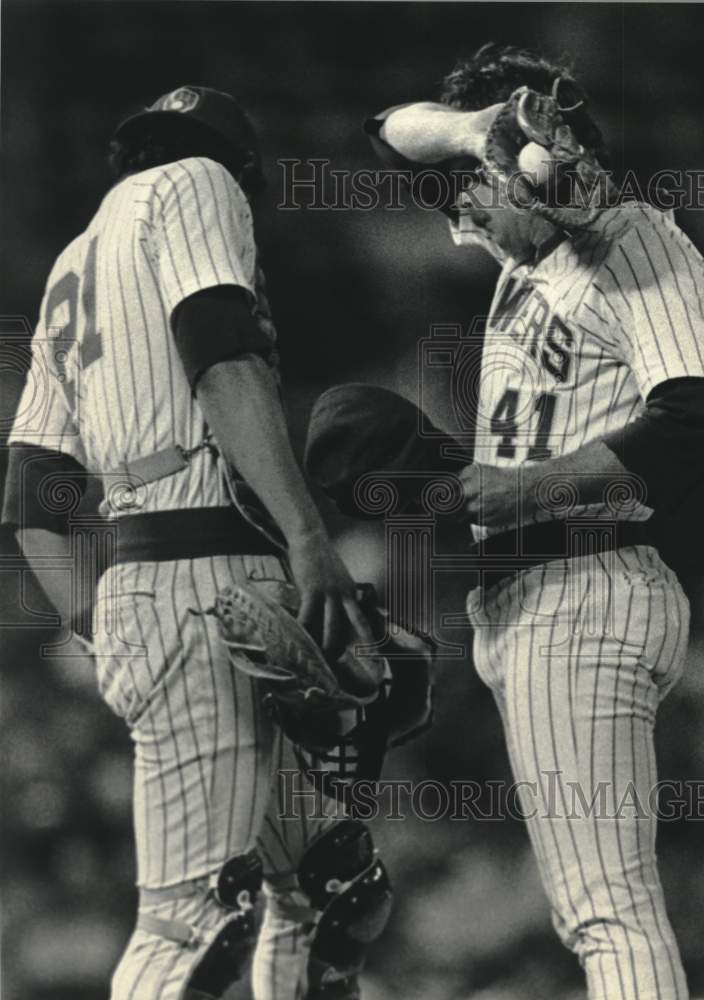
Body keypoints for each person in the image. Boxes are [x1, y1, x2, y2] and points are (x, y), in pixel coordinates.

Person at [2, 85, 390, 1000]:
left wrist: (106, 625)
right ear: (239, 169)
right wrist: (306, 534)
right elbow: (219, 352)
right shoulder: (199, 184)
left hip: (148, 578)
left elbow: (30, 493)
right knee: (195, 919)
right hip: (207, 565)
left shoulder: (74, 260)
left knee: (331, 887)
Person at [365, 44, 704, 1000]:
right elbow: (385, 136)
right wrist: (468, 134)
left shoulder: (630, 233)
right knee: (599, 910)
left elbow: (698, 419)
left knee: (604, 911)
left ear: (530, 161)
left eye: (468, 188)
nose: (456, 216)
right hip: (534, 596)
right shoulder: (522, 264)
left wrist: (527, 492)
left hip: (586, 580)